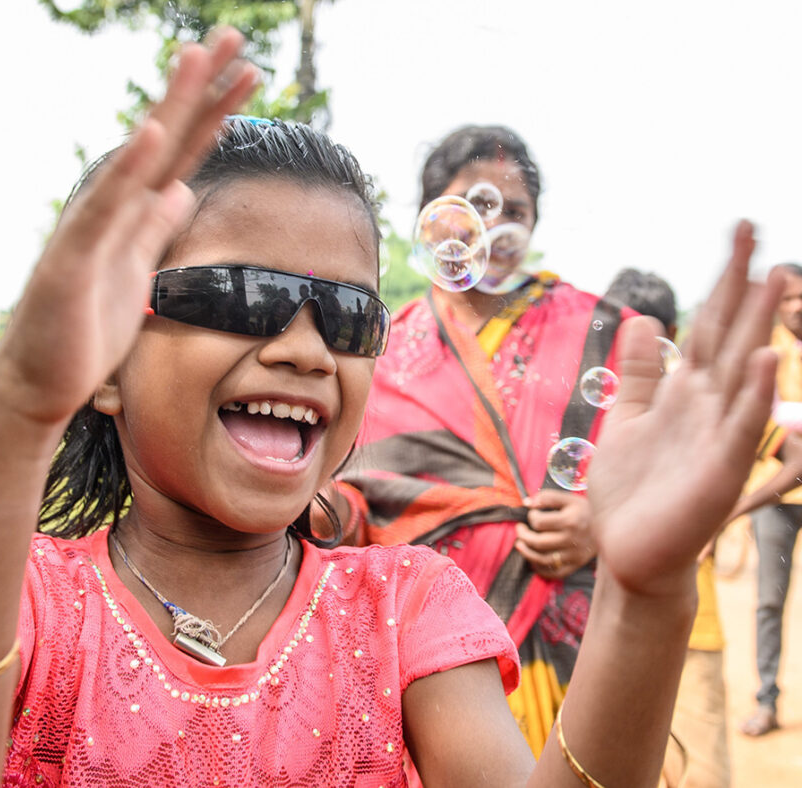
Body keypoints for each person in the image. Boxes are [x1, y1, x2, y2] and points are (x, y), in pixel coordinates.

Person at [0, 28, 782, 786]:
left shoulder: (407, 608)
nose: (302, 348)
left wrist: (647, 599)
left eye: (348, 314)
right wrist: (9, 414)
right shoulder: (25, 602)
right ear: (106, 359)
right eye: (242, 298)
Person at [327, 125, 633, 754]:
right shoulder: (381, 355)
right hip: (432, 660)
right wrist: (320, 514)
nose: (490, 227)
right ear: (430, 219)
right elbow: (357, 498)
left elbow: (664, 471)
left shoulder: (600, 331)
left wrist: (603, 521)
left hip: (579, 646)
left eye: (513, 211)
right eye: (474, 205)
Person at [603, 268, 729, 788]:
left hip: (690, 630)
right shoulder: (586, 413)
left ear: (672, 339)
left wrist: (729, 513)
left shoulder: (699, 412)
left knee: (700, 767)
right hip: (606, 627)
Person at [735, 261, 802, 737]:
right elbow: (753, 420)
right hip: (773, 495)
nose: (797, 306)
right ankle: (767, 701)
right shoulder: (761, 356)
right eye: (788, 299)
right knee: (769, 601)